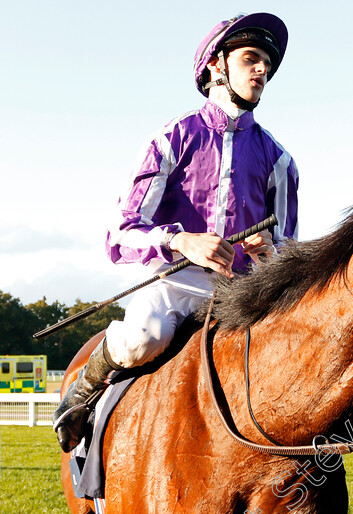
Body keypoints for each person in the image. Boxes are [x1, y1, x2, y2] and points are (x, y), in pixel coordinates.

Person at [52, 12, 299, 454]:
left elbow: (290, 248)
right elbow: (120, 231)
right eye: (250, 59)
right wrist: (182, 240)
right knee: (141, 341)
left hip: (246, 292)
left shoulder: (280, 160)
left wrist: (271, 253)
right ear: (216, 67)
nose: (262, 70)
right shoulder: (171, 138)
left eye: (266, 63)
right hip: (177, 283)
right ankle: (86, 387)